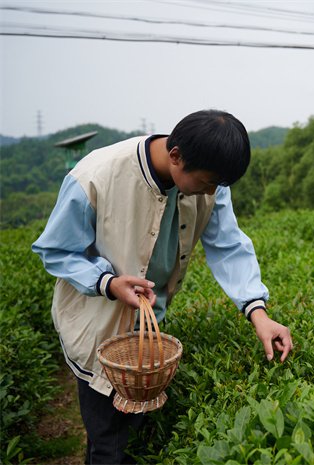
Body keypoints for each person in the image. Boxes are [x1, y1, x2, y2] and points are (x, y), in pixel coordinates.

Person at [32, 109, 294, 464]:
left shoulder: (208, 182)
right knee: (108, 444)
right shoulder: (96, 175)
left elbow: (229, 247)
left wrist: (258, 314)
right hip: (97, 331)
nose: (211, 192)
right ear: (175, 157)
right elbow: (56, 250)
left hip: (147, 328)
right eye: (206, 183)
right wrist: (108, 283)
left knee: (137, 436)